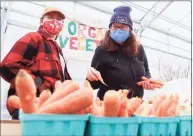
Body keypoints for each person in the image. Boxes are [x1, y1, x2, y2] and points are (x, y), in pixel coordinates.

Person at [0, 7, 71, 119]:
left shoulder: (57, 48)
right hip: (28, 106)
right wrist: (39, 84)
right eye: (50, 17)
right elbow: (7, 66)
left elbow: (64, 80)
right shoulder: (33, 38)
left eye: (58, 19)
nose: (55, 22)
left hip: (51, 107)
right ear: (41, 21)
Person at [86, 5, 155, 100]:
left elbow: (146, 70)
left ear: (130, 30)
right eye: (115, 26)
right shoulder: (101, 50)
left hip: (135, 103)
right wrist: (90, 78)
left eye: (123, 27)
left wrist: (147, 80)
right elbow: (93, 85)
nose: (119, 30)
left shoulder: (139, 48)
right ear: (110, 29)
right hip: (109, 105)